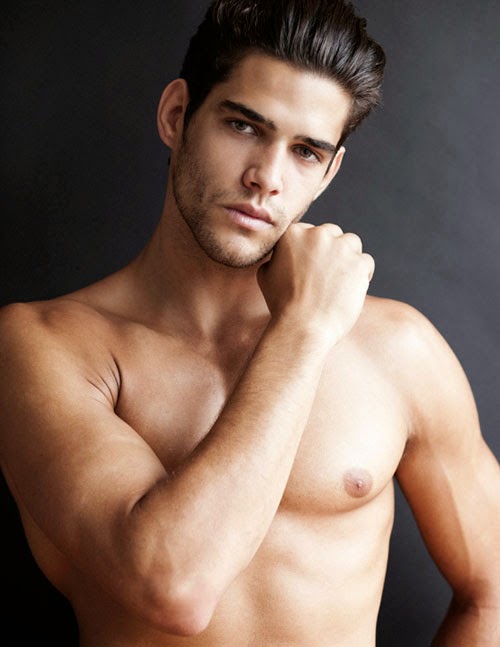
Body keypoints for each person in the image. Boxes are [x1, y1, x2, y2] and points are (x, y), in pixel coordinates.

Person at [0, 0, 499, 644]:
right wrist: (304, 329)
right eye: (242, 126)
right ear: (177, 115)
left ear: (330, 170)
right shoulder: (46, 347)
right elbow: (173, 586)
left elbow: (492, 588)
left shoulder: (398, 350)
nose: (267, 177)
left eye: (306, 151)